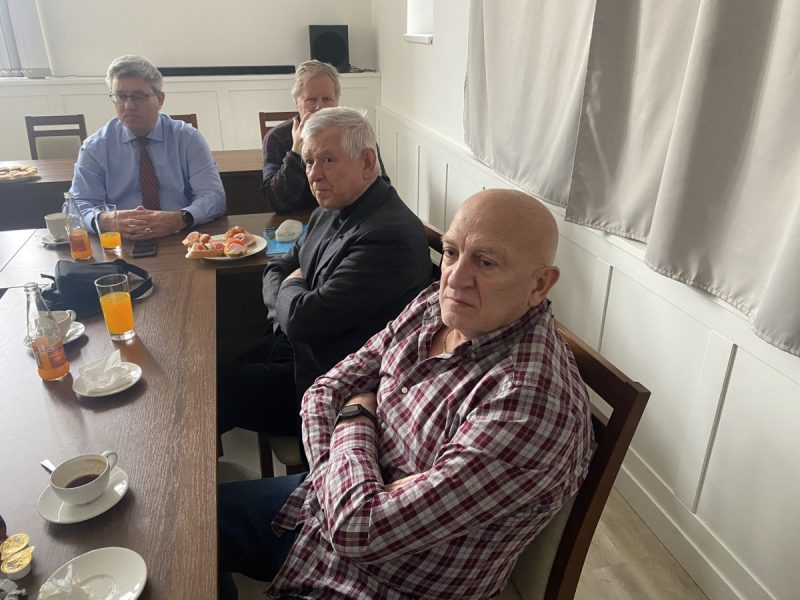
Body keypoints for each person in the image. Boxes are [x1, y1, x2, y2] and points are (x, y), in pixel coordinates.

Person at [218, 189, 595, 599]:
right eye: (451, 252)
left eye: (486, 262)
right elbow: (323, 391)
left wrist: (356, 418)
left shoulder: (529, 404)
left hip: (384, 583)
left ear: (540, 284)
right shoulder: (435, 306)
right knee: (189, 528)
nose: (455, 278)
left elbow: (358, 531)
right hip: (315, 511)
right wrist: (349, 489)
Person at [218, 107, 431, 439]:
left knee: (214, 390)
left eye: (328, 160)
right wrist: (291, 299)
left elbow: (302, 319)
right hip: (297, 349)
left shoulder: (389, 237)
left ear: (367, 162)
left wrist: (291, 294)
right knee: (207, 369)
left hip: (332, 383)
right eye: (308, 162)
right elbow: (277, 266)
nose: (314, 174)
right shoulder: (329, 209)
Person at [70, 55, 225, 240]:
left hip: (180, 237)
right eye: (121, 96)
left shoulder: (187, 139)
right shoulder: (95, 147)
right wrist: (104, 220)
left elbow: (213, 196)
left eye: (139, 97)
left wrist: (181, 218)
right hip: (123, 242)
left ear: (159, 99)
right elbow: (77, 205)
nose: (128, 106)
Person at [261, 60, 389, 214]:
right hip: (297, 220)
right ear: (296, 101)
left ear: (337, 99)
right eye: (311, 100)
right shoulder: (277, 138)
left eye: (327, 99)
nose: (320, 107)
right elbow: (276, 203)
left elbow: (381, 186)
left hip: (346, 218)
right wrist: (296, 152)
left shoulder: (354, 132)